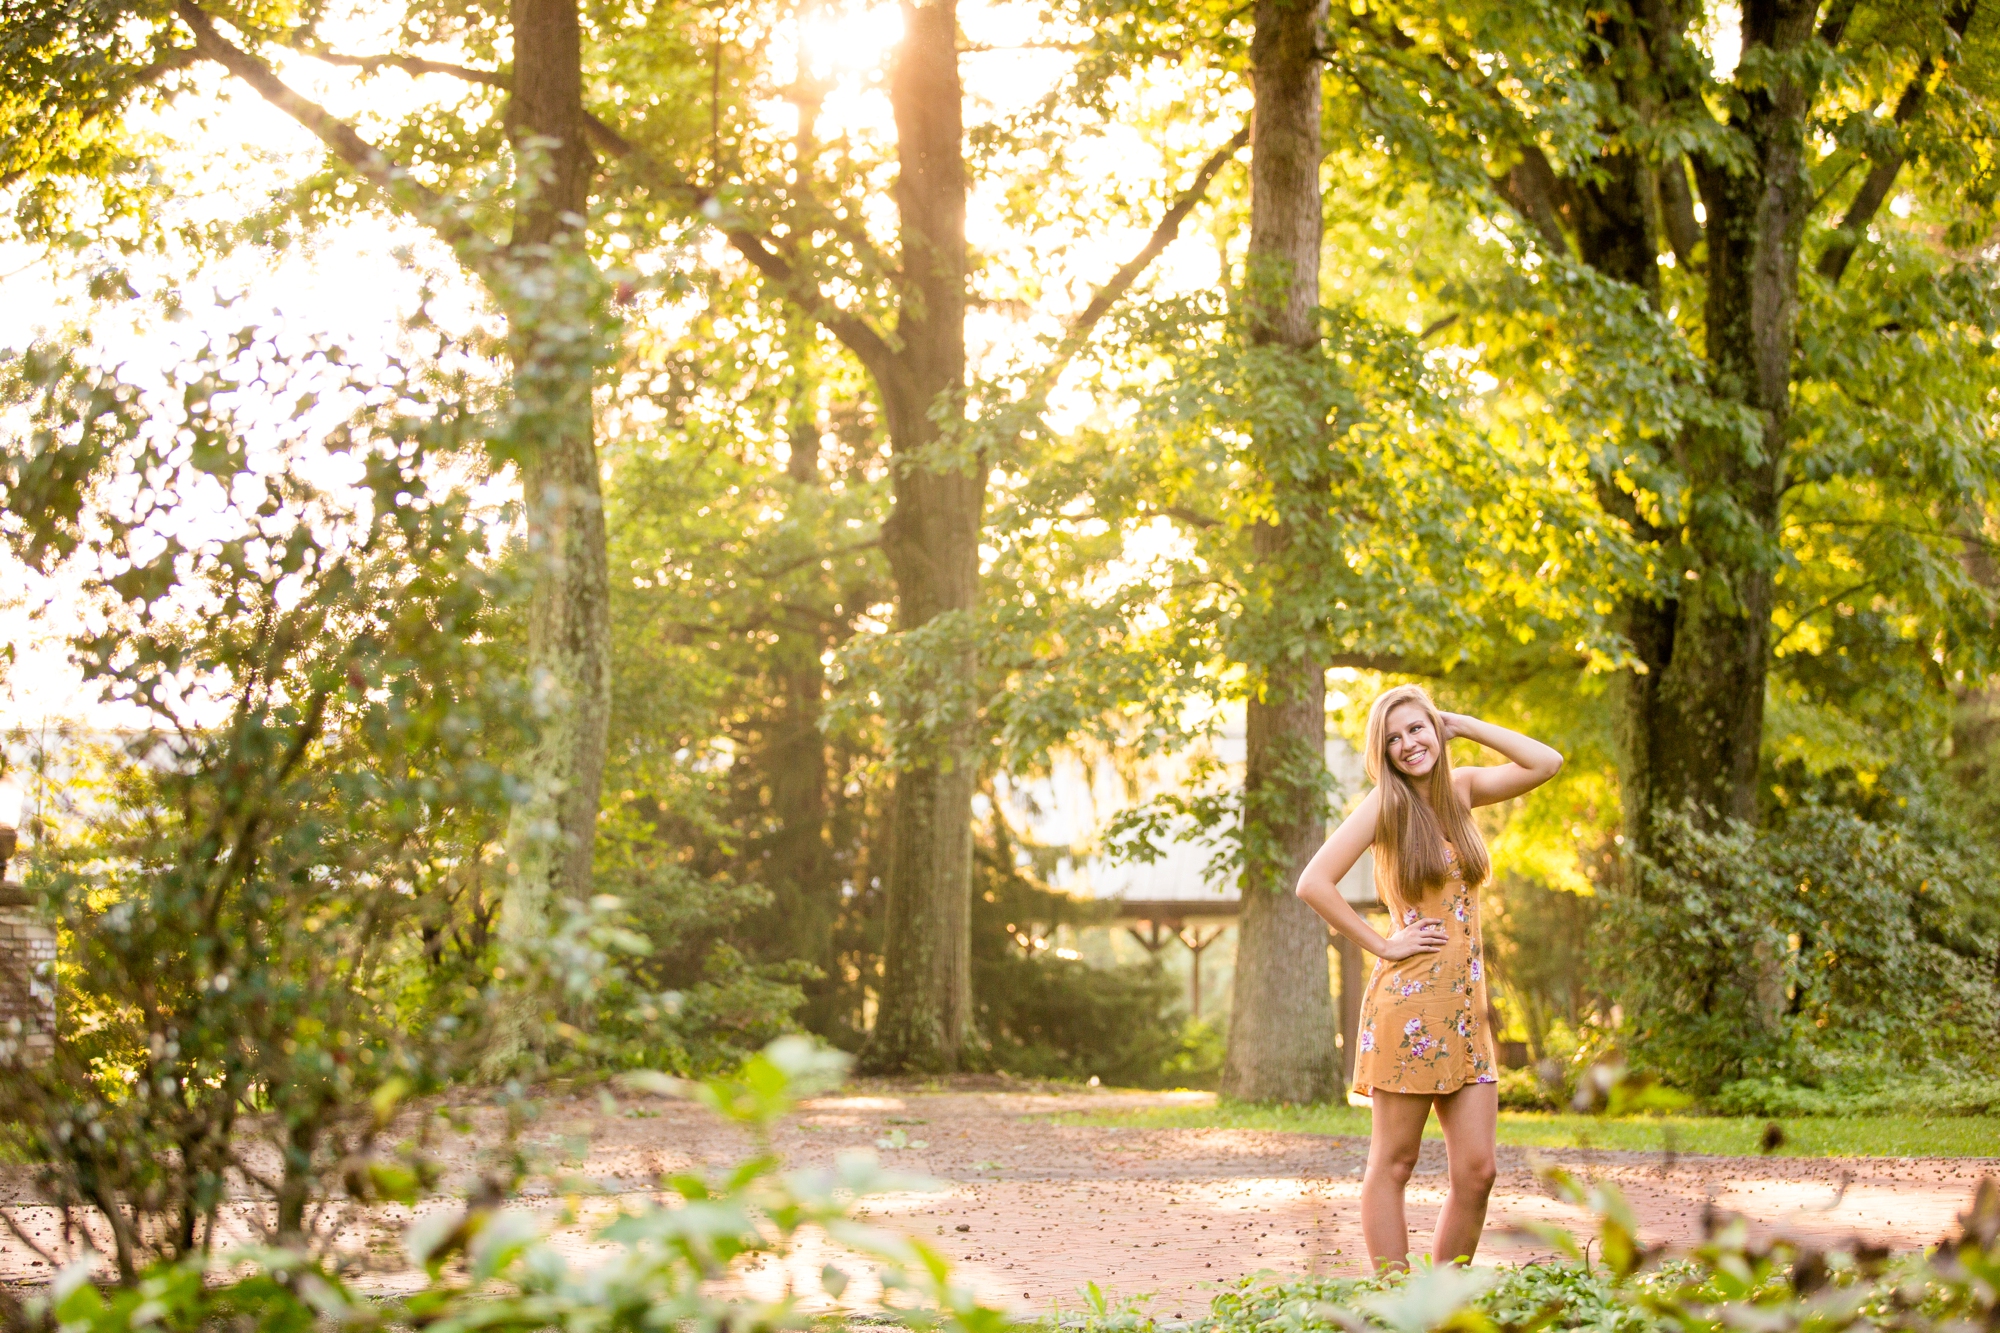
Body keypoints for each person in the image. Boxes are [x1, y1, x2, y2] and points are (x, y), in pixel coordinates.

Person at [1294, 684, 1563, 1270]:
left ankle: (1442, 1298)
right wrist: (1385, 945)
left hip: (1468, 1013)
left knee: (1478, 1170)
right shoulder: (1387, 806)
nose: (1408, 745)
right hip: (1409, 1008)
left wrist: (1462, 723)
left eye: (1416, 729)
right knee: (1394, 1162)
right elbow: (1313, 882)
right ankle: (1396, 1304)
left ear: (1434, 728)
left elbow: (1546, 762)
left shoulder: (1463, 790)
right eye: (1393, 739)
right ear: (1383, 753)